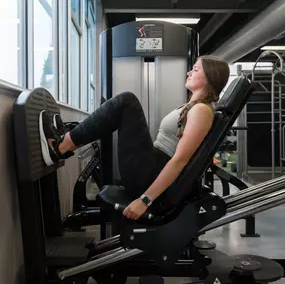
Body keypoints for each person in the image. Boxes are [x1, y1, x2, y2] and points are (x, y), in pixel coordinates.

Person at [39, 55, 230, 220]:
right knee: (123, 105)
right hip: (150, 167)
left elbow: (179, 161)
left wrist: (145, 200)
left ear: (209, 77)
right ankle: (65, 141)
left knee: (126, 102)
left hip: (149, 173)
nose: (189, 72)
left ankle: (60, 147)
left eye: (195, 69)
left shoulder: (202, 111)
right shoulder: (194, 107)